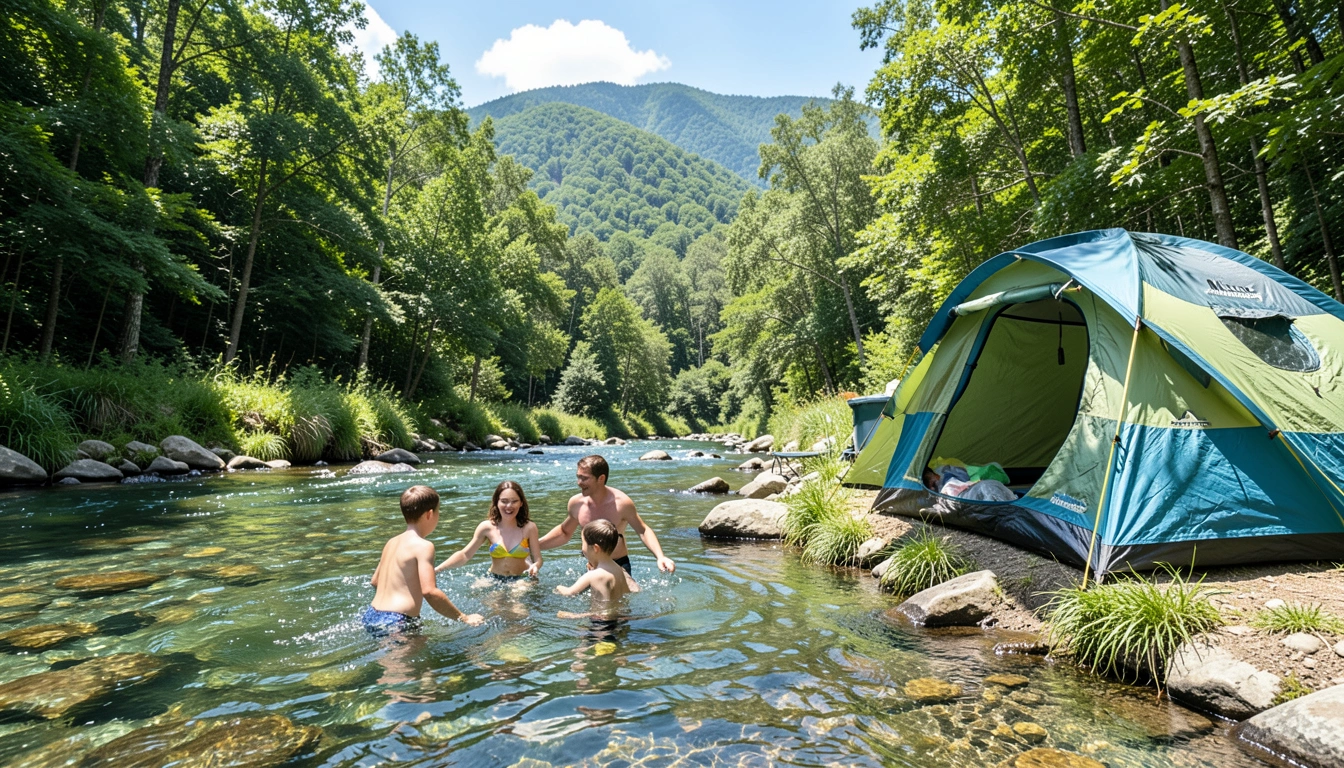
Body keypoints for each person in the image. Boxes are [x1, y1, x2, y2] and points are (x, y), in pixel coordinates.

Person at [365, 485, 484, 632]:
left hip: (372, 614)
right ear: (429, 514)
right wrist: (464, 617)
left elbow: (375, 581)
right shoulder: (424, 546)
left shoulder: (391, 542)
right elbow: (429, 591)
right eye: (438, 511)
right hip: (398, 620)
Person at [538, 454, 675, 575]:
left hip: (618, 565)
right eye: (578, 477)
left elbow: (643, 530)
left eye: (584, 478)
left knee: (621, 604)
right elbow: (564, 532)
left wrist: (660, 557)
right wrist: (533, 546)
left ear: (601, 478)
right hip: (591, 566)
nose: (579, 483)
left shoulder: (621, 503)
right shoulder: (576, 503)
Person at [435, 481, 542, 581]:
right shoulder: (486, 527)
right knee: (477, 592)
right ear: (496, 502)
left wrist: (535, 566)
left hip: (521, 578)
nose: (509, 506)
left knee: (516, 595)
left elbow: (538, 559)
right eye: (504, 501)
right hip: (493, 578)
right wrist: (437, 570)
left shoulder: (529, 527)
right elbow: (465, 555)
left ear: (521, 503)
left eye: (514, 501)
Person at [555, 520, 640, 601]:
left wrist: (559, 587)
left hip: (599, 616)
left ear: (595, 548)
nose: (582, 548)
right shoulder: (619, 570)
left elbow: (569, 593)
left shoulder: (592, 575)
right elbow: (626, 595)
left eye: (583, 543)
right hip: (622, 615)